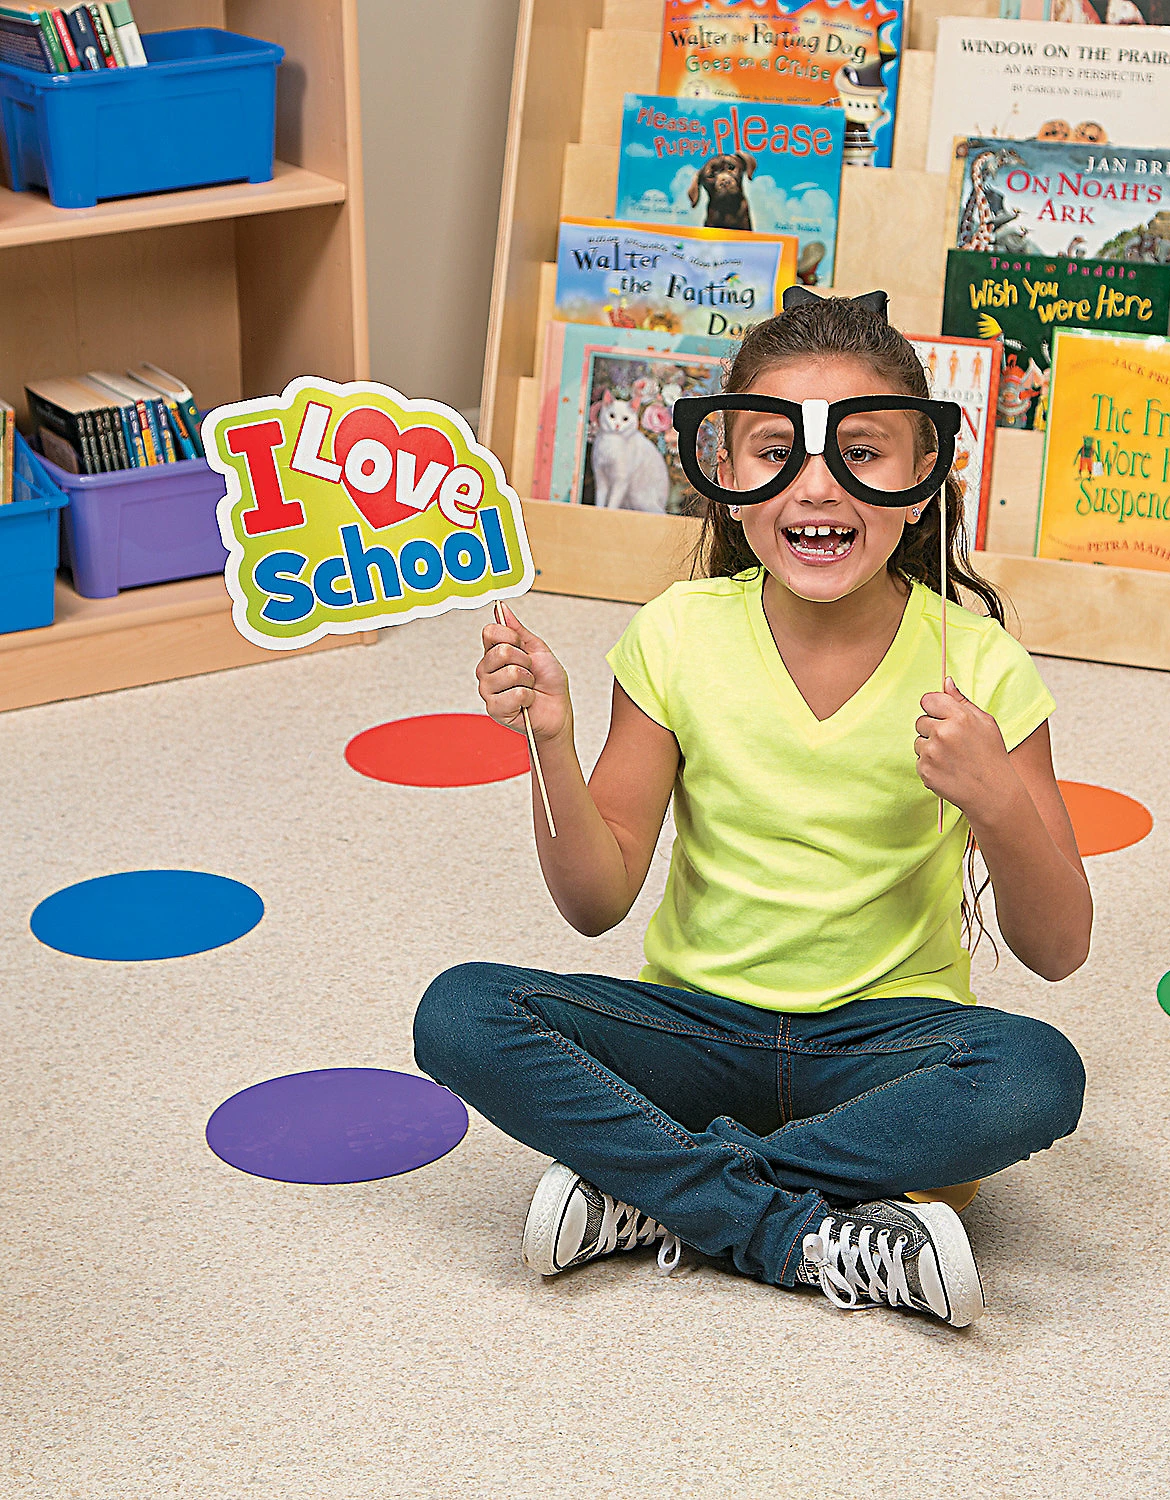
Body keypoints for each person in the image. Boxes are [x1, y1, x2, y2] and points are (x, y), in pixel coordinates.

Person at [414, 289, 1092, 1328]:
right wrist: (549, 741)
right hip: (696, 1033)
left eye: (862, 452)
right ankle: (798, 1227)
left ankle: (662, 1193)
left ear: (922, 479)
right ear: (726, 480)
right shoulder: (678, 634)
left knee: (1036, 1074)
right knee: (459, 1010)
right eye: (777, 451)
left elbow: (1059, 946)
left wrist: (999, 800)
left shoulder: (983, 664)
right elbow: (597, 903)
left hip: (883, 1043)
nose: (817, 488)